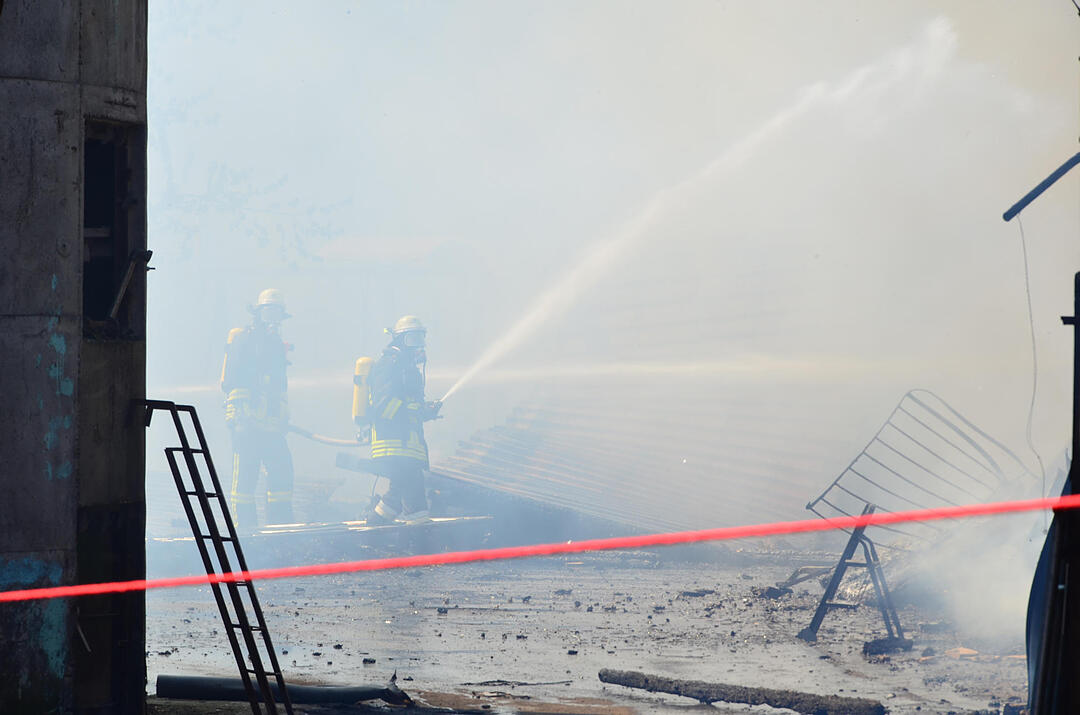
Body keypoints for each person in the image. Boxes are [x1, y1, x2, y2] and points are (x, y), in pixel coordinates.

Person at [219, 288, 295, 530]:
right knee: (245, 477)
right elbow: (232, 381)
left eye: (276, 314)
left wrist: (282, 416)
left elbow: (278, 388)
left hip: (271, 425)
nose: (272, 319)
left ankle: (280, 526)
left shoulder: (275, 345)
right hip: (246, 423)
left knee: (283, 470)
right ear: (258, 313)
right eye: (268, 312)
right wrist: (242, 416)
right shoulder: (245, 339)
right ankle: (246, 531)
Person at [366, 315, 442, 524]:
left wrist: (425, 411)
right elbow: (383, 407)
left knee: (395, 496)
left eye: (420, 339)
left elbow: (409, 407)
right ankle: (421, 543)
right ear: (399, 340)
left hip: (406, 444)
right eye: (412, 340)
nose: (418, 346)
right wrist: (416, 410)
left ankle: (374, 529)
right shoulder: (389, 365)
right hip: (393, 443)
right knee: (415, 499)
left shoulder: (408, 369)